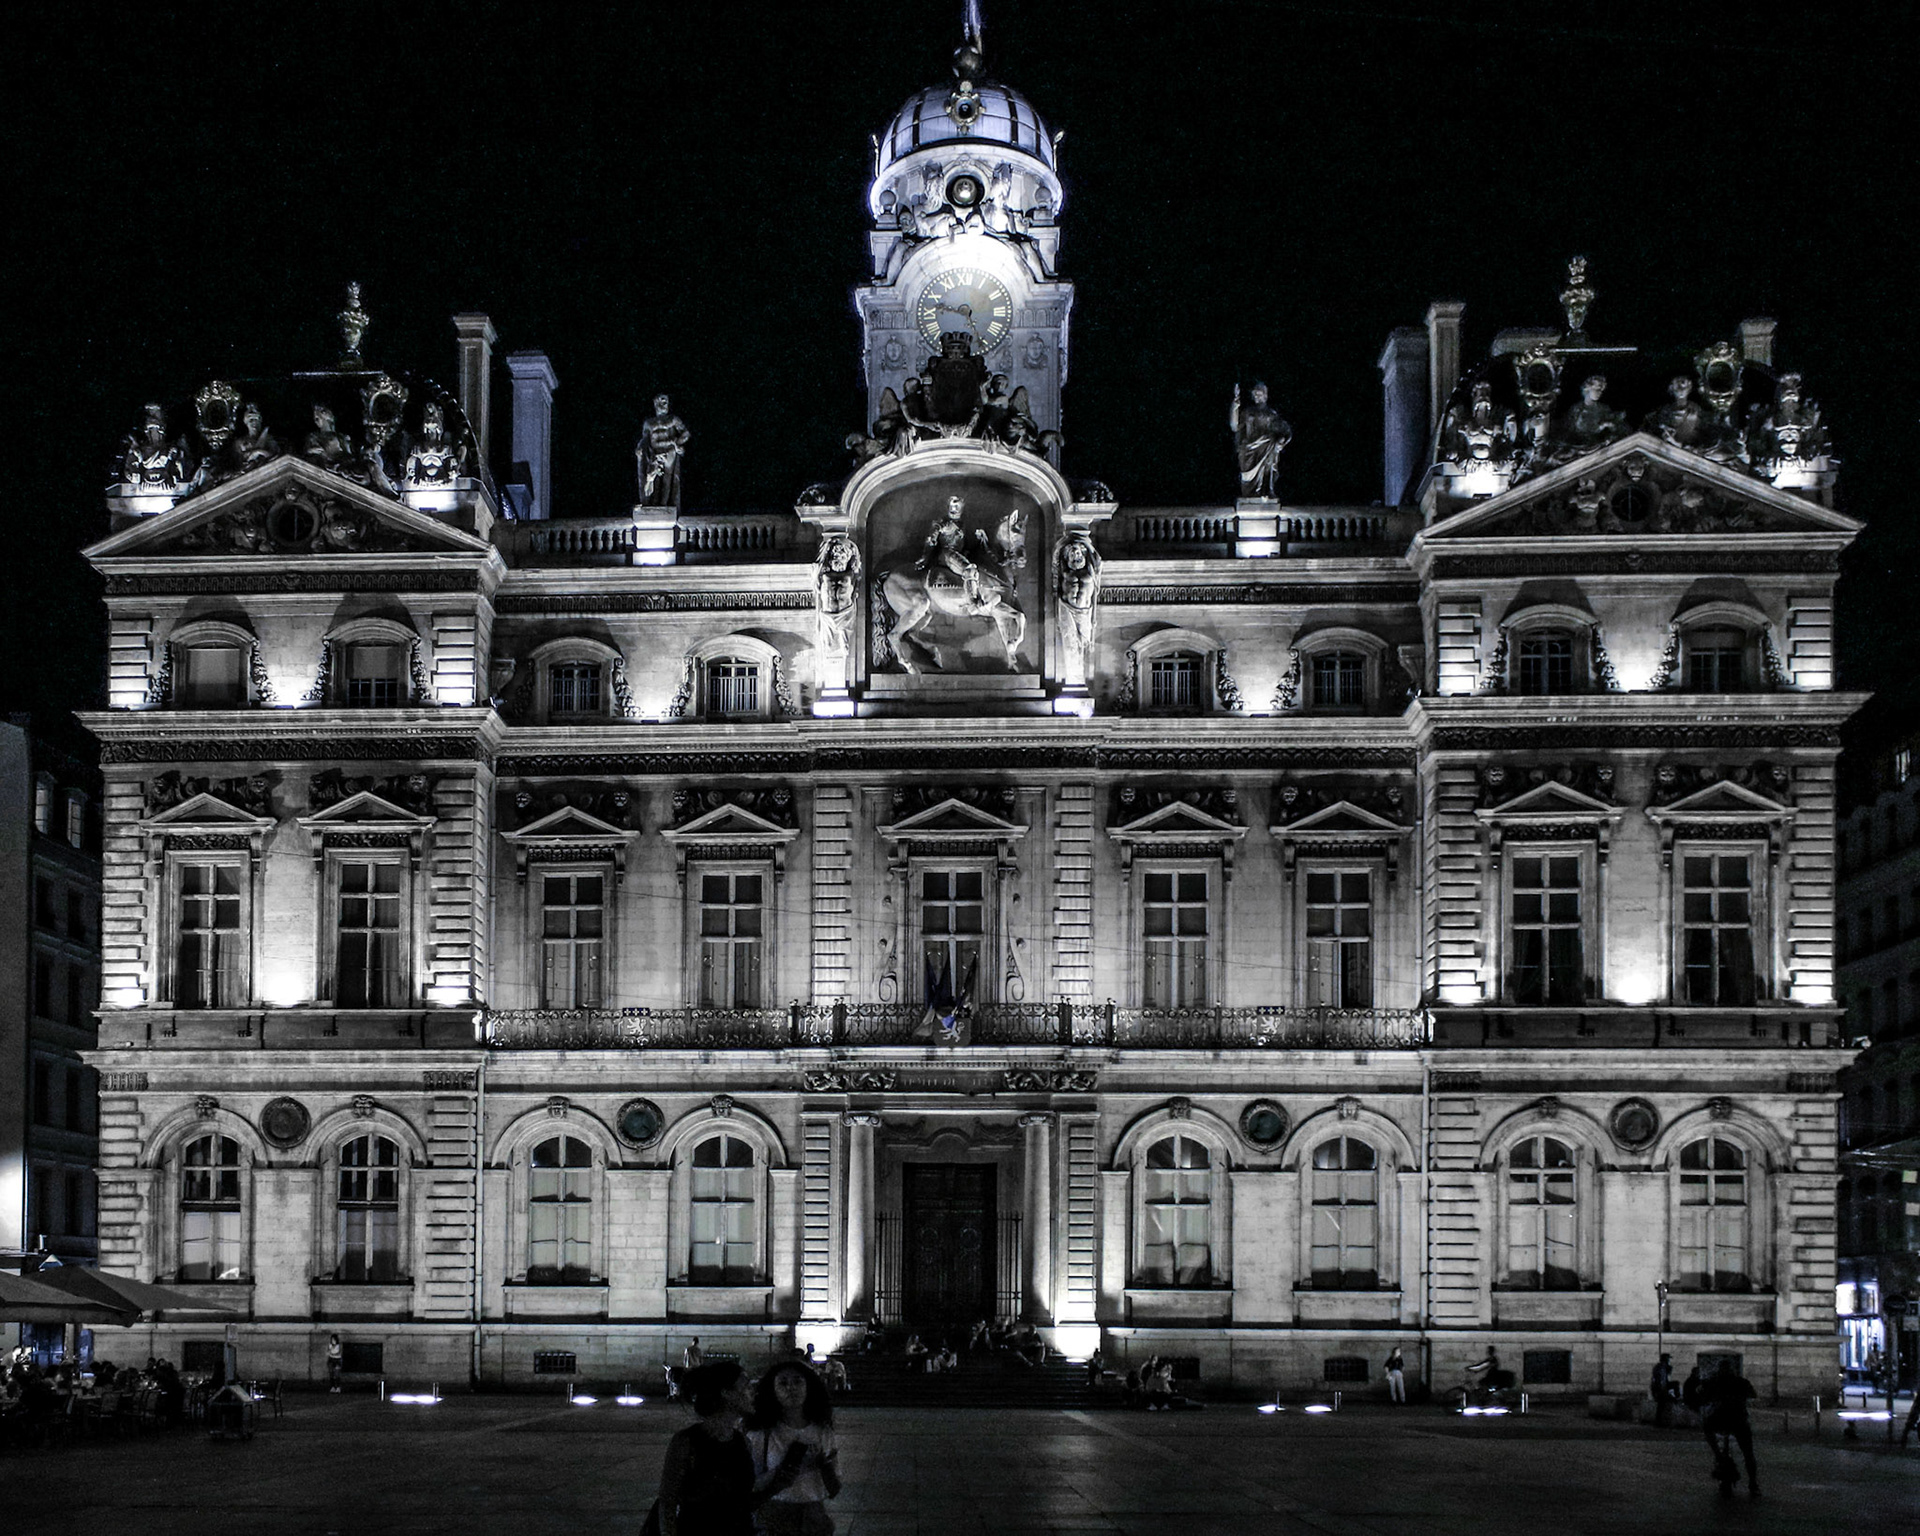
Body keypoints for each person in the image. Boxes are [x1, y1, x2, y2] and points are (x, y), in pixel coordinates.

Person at [654, 1362, 805, 1536]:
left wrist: (775, 1487)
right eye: (746, 1385)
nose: (753, 1391)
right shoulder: (687, 1443)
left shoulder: (742, 1442)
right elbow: (667, 1503)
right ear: (727, 1393)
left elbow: (741, 1505)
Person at [748, 1361, 840, 1536]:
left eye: (798, 1381)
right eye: (783, 1383)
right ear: (772, 1390)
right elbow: (752, 1484)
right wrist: (784, 1471)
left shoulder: (822, 1431)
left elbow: (834, 1488)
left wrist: (823, 1464)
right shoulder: (762, 1434)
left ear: (808, 1386)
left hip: (814, 1518)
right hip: (775, 1516)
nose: (791, 1388)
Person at [1695, 1359, 1759, 1496]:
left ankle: (1718, 1454)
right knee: (1748, 1453)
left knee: (1707, 1428)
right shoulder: (1740, 1382)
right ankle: (1753, 1483)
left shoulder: (1715, 1381)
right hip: (1738, 1419)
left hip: (1721, 1418)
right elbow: (1753, 1394)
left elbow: (1703, 1396)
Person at [1650, 1352, 1676, 1426]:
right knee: (1661, 1405)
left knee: (1661, 1405)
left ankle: (1659, 1421)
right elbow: (1661, 1379)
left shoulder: (1660, 1367)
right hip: (1660, 1388)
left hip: (1659, 1388)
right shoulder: (1661, 1368)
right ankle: (1659, 1421)